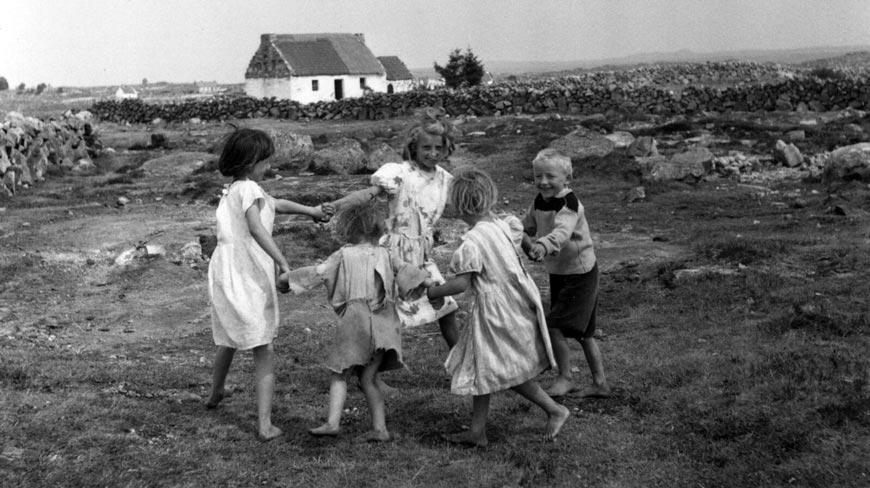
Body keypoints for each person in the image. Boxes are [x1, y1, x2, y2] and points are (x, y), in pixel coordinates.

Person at [424, 167, 571, 447]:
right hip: (518, 301)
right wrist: (531, 250)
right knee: (484, 365)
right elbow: (526, 243)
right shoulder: (505, 225)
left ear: (459, 207)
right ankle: (477, 431)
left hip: (496, 312)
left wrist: (433, 291)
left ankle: (554, 409)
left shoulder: (471, 243)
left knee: (501, 368)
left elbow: (460, 285)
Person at [324, 107, 461, 391]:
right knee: (385, 317)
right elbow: (368, 195)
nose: (432, 153)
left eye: (439, 147)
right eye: (426, 147)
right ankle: (369, 376)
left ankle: (462, 365)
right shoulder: (399, 173)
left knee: (446, 308)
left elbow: (464, 205)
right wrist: (336, 206)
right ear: (413, 146)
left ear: (447, 148)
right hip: (392, 255)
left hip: (421, 257)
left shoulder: (445, 179)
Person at [205, 127, 328, 441]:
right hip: (245, 270)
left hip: (226, 270)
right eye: (265, 160)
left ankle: (216, 392)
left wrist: (310, 211)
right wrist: (283, 262)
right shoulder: (247, 189)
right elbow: (257, 228)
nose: (269, 164)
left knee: (229, 336)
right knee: (263, 344)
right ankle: (264, 424)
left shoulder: (237, 189)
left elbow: (277, 204)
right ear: (250, 162)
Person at [283, 200, 429, 442]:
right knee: (368, 378)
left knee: (340, 373)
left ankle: (332, 422)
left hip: (355, 323)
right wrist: (427, 283)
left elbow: (319, 273)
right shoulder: (387, 254)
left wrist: (289, 280)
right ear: (377, 229)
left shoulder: (343, 254)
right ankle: (380, 429)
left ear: (349, 228)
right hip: (382, 325)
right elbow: (408, 273)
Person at [521, 148, 610, 399]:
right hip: (560, 272)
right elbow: (526, 226)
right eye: (538, 176)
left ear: (566, 179)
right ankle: (600, 383)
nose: (543, 182)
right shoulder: (539, 201)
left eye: (550, 176)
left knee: (555, 326)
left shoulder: (570, 204)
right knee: (584, 333)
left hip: (580, 273)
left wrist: (543, 245)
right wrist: (511, 228)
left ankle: (566, 378)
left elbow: (562, 232)